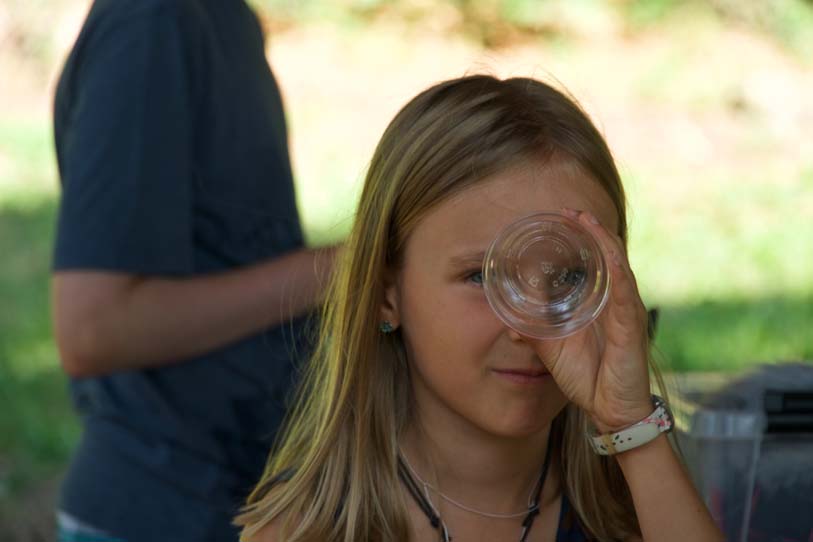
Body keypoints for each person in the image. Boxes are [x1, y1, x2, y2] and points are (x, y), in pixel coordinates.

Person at [235, 75, 725, 541]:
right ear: (386, 295)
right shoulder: (303, 532)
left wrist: (631, 428)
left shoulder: (642, 512)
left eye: (570, 277)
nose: (529, 326)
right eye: (481, 277)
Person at [50, 0, 338, 540]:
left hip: (239, 497)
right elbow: (92, 327)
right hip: (158, 506)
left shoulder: (224, 19)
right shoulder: (152, 21)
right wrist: (341, 268)